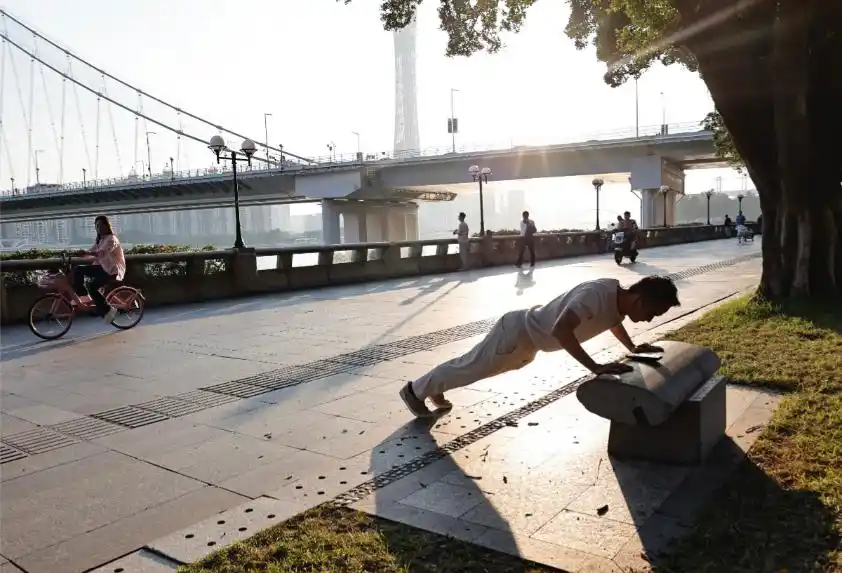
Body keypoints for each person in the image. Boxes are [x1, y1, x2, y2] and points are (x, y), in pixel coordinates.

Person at [399, 275, 680, 417]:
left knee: (471, 367)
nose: (650, 319)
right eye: (652, 313)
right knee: (471, 367)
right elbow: (561, 329)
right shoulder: (596, 295)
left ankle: (434, 386)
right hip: (517, 333)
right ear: (640, 299)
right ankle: (414, 390)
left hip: (527, 343)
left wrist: (632, 347)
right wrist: (595, 367)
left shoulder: (617, 301)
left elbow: (613, 322)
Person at [72, 215, 125, 323]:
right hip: (102, 268)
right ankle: (87, 297)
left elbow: (102, 253)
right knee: (79, 270)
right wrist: (78, 255)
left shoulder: (112, 239)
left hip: (112, 270)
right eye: (96, 226)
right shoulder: (101, 240)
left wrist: (87, 252)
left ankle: (107, 309)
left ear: (107, 226)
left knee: (91, 285)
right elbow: (92, 252)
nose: (98, 228)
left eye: (100, 225)